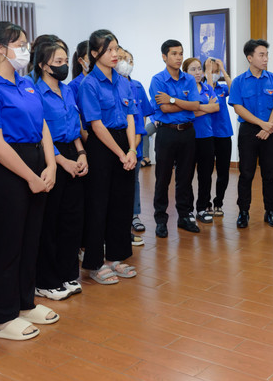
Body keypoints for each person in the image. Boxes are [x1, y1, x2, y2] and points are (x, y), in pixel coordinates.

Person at [0, 21, 58, 341]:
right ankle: (2, 317)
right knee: (7, 242)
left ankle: (24, 303)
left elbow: (43, 124)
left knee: (30, 238)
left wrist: (50, 164)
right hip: (7, 168)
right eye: (21, 44)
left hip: (36, 161)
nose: (27, 49)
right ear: (0, 49)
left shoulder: (25, 82)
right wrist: (32, 176)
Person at [78, 29, 138, 284]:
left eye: (116, 49)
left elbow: (131, 116)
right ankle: (94, 263)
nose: (115, 54)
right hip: (102, 147)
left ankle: (116, 257)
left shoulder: (123, 81)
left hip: (125, 143)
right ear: (94, 54)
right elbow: (96, 124)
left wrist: (132, 150)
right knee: (98, 205)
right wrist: (120, 152)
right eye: (109, 50)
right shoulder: (88, 84)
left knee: (122, 204)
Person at [32, 39, 88, 300]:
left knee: (72, 219)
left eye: (65, 61)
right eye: (58, 62)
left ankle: (68, 274)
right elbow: (41, 133)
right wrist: (60, 161)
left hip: (71, 153)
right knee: (50, 222)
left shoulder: (68, 91)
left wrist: (80, 153)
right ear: (43, 65)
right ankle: (46, 280)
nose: (64, 66)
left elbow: (75, 129)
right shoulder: (35, 93)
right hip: (49, 158)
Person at [228, 39, 273, 229]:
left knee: (269, 174)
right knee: (246, 173)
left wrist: (269, 127)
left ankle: (270, 211)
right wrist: (262, 124)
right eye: (261, 55)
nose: (266, 58)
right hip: (248, 131)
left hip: (270, 131)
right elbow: (238, 108)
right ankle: (243, 212)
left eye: (267, 54)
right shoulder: (238, 82)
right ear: (250, 57)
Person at [148, 39, 201, 238]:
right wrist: (184, 103)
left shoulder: (188, 79)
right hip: (167, 133)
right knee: (163, 178)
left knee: (185, 178)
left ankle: (184, 217)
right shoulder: (158, 80)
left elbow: (196, 105)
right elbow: (164, 109)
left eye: (181, 53)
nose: (179, 58)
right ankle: (161, 220)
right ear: (164, 56)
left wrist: (172, 99)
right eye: (174, 54)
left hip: (187, 132)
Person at [116, 48, 153, 240]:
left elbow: (143, 116)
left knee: (134, 181)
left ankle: (134, 215)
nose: (124, 63)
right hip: (114, 145)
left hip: (134, 144)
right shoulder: (111, 86)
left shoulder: (137, 86)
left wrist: (134, 143)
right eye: (121, 59)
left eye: (128, 60)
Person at [184, 57, 219, 223]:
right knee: (187, 175)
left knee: (205, 175)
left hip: (207, 137)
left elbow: (216, 107)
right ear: (185, 72)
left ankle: (202, 208)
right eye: (193, 69)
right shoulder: (184, 90)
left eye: (199, 68)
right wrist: (207, 108)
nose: (197, 72)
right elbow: (187, 113)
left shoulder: (207, 88)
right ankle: (188, 210)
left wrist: (197, 108)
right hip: (188, 137)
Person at [205, 57, 233, 216]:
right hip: (207, 134)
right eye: (212, 71)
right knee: (206, 171)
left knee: (223, 171)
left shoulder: (223, 88)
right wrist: (208, 73)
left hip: (223, 133)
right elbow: (210, 96)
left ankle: (218, 203)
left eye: (216, 72)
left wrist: (223, 70)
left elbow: (234, 90)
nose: (214, 74)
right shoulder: (201, 88)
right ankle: (206, 202)